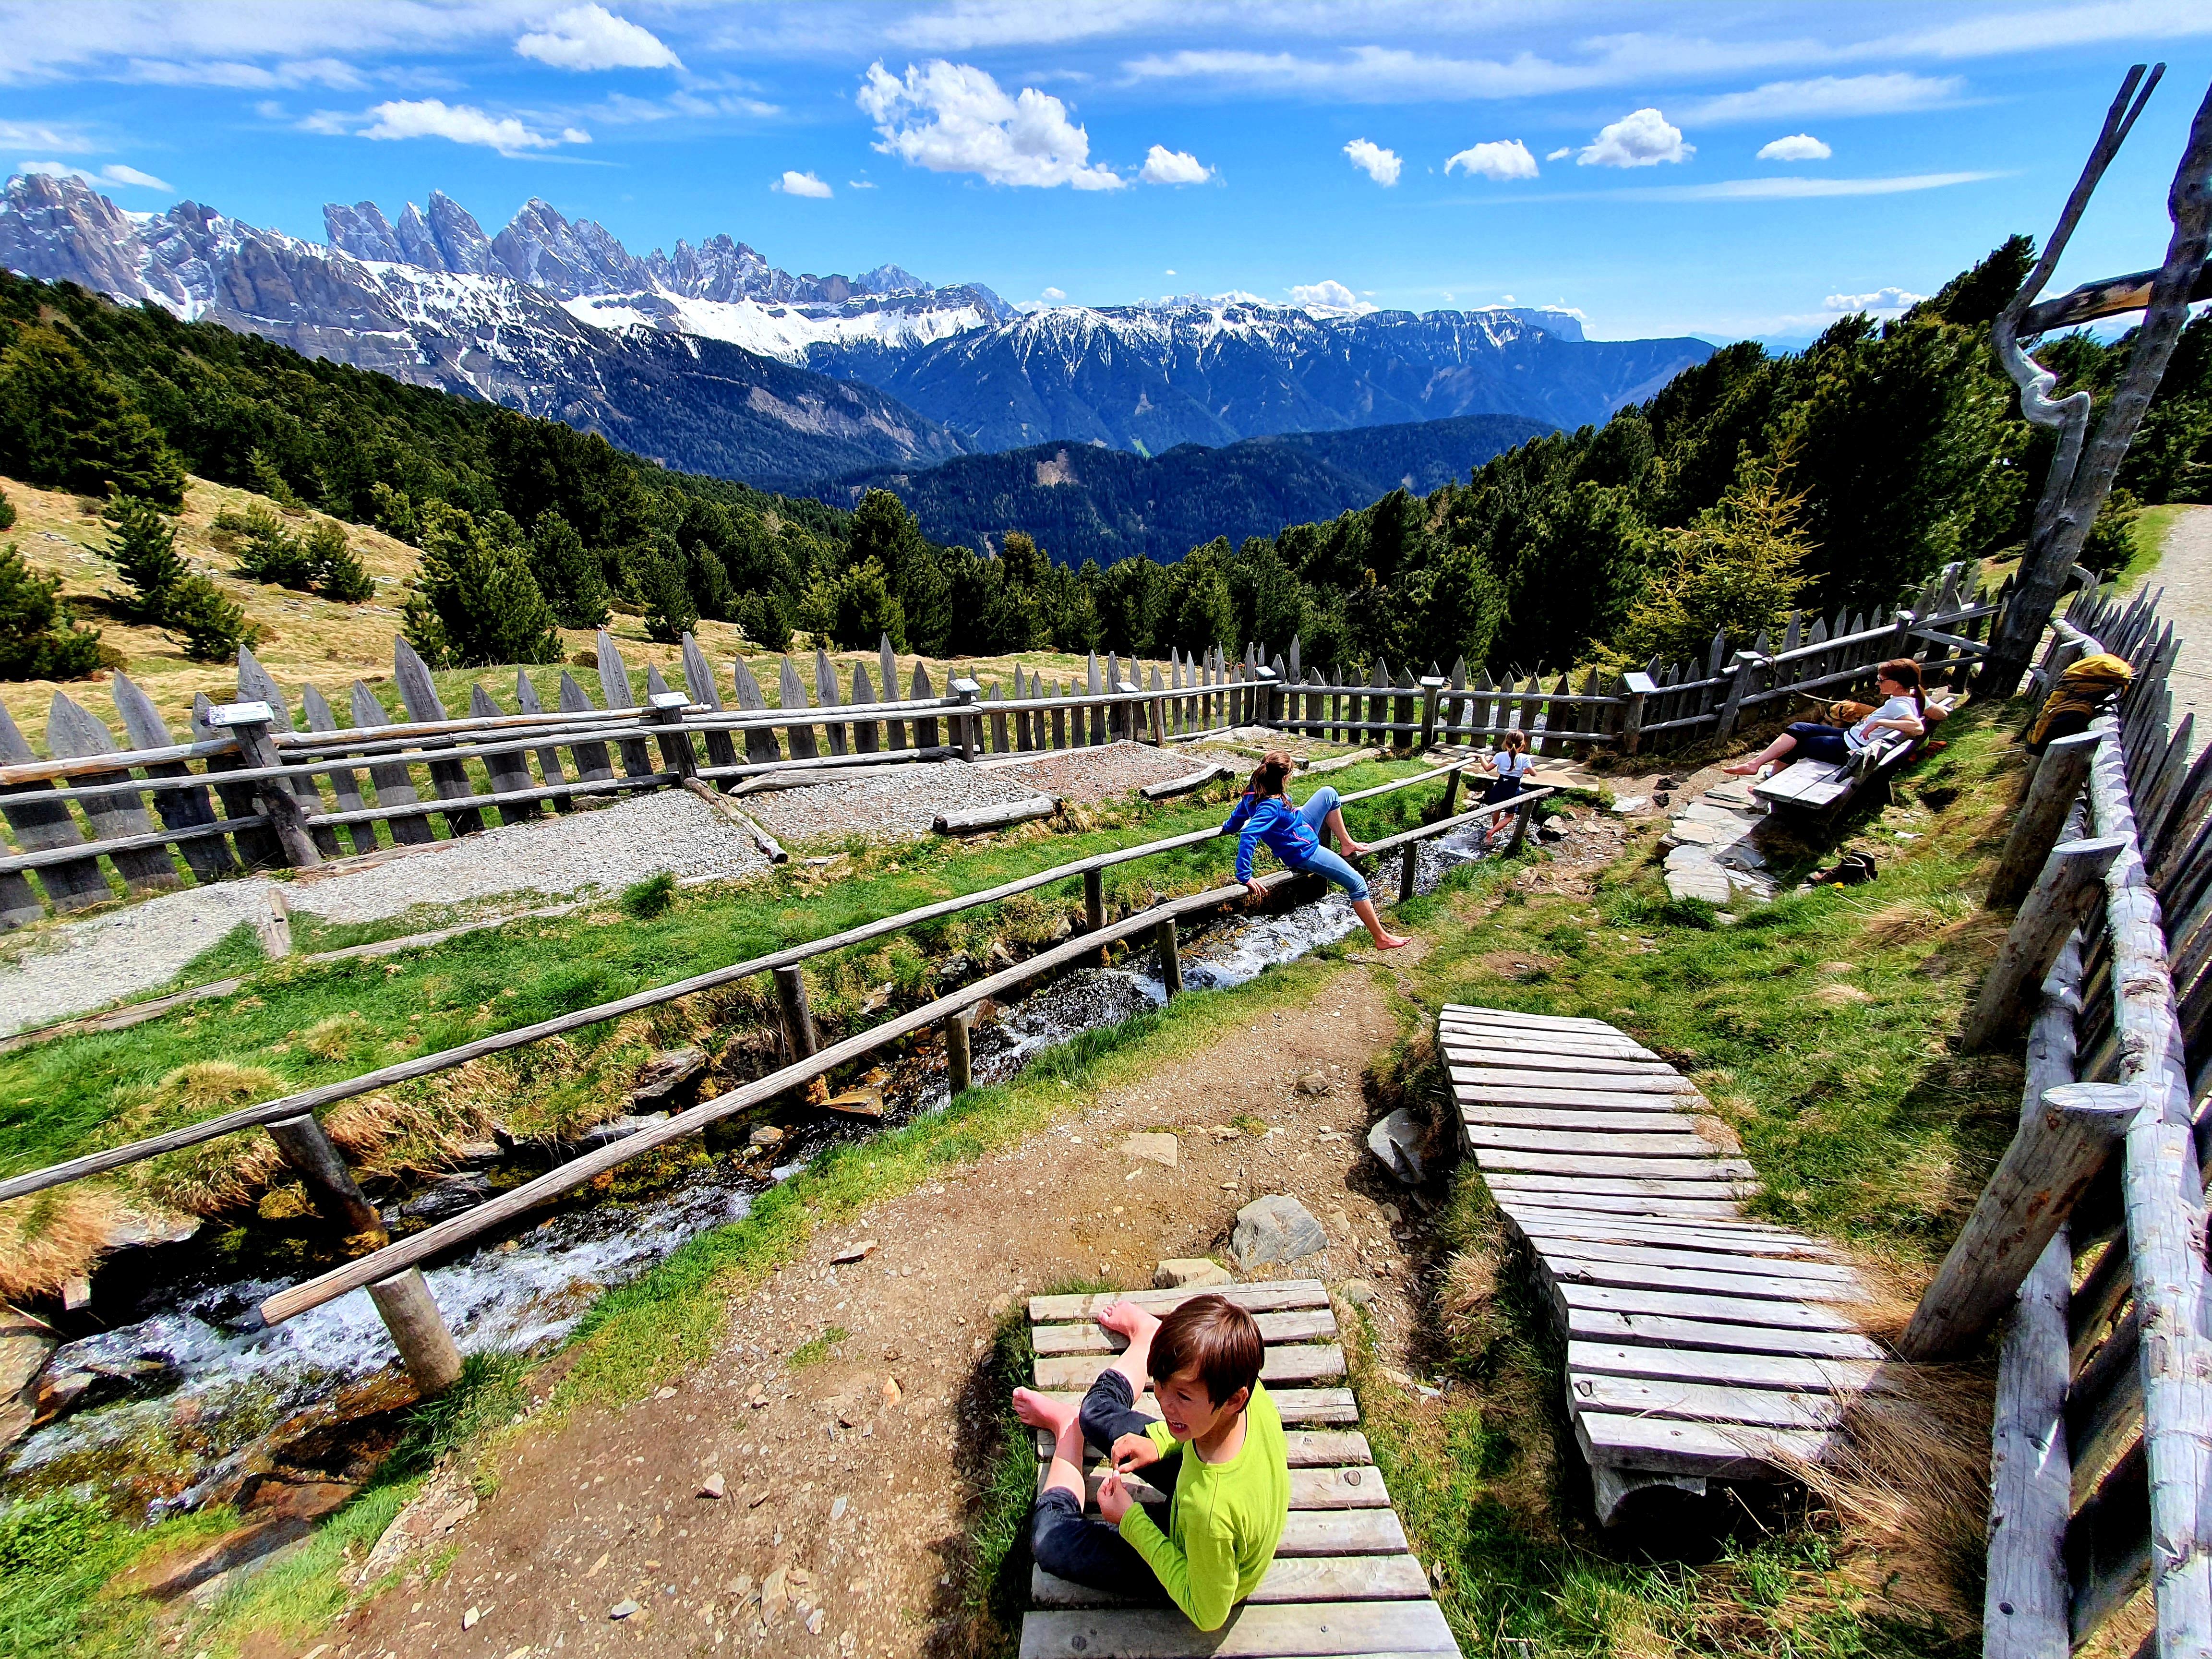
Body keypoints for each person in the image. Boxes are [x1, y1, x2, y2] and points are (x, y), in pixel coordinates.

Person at [1013, 1294, 1290, 1632]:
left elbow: (1208, 1614)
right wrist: (1160, 1441)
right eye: (1159, 1383)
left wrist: (1132, 1522)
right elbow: (1201, 1428)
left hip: (1192, 1559)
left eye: (1182, 1396)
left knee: (1049, 1541)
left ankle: (1067, 1431)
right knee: (1095, 1414)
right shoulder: (1245, 1391)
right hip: (1202, 1493)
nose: (1163, 1403)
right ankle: (1147, 1336)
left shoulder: (1209, 1512)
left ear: (1234, 1399)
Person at [1222, 750, 1410, 949]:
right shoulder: (1271, 805)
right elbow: (1249, 834)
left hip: (1301, 828)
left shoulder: (1255, 790)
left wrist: (1229, 826)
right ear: (1285, 776)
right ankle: (1381, 938)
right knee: (1357, 883)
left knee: (1329, 794)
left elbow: (1240, 814)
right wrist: (1244, 875)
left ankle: (1346, 843)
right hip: (1303, 852)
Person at [1722, 659, 1928, 776]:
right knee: (1798, 728)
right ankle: (1756, 765)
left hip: (1850, 748)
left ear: (1898, 683)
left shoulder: (1900, 703)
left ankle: (1770, 776)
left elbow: (1917, 728)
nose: (1877, 684)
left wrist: (1879, 721)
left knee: (1799, 745)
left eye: (1881, 680)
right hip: (1849, 736)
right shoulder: (1907, 695)